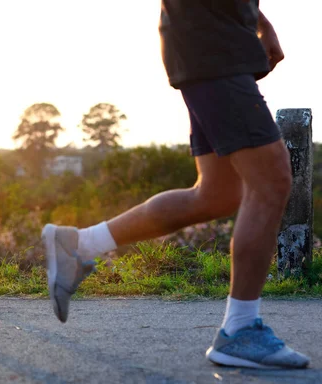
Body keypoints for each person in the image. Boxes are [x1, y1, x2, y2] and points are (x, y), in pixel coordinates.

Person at [42, 1, 310, 369]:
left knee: (216, 194)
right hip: (213, 44)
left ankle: (80, 244)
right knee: (271, 180)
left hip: (215, 43)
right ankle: (240, 330)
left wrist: (260, 21)